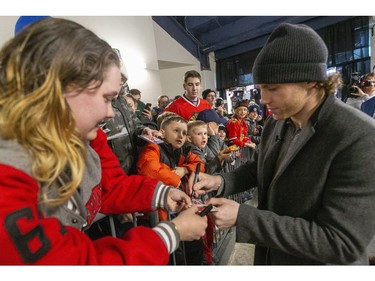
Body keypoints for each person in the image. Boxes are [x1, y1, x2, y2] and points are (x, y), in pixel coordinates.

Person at [0, 17, 208, 265]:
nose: (111, 113)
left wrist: (163, 194)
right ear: (63, 91)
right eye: (107, 99)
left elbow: (109, 185)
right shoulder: (8, 172)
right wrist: (169, 235)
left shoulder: (88, 135)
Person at [190, 23, 375, 265]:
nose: (264, 99)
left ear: (310, 81)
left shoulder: (358, 136)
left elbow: (340, 242)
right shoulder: (278, 121)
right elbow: (261, 168)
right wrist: (221, 181)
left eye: (273, 88)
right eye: (260, 89)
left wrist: (245, 218)